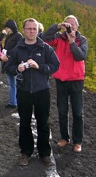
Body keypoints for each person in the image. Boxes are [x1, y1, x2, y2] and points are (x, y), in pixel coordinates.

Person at [6, 18, 60, 167]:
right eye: (29, 29)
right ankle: (26, 152)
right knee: (24, 123)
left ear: (38, 30)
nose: (31, 31)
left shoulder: (45, 48)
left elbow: (56, 65)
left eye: (34, 29)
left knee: (43, 123)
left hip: (42, 91)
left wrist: (40, 67)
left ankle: (44, 153)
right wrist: (17, 68)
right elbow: (7, 67)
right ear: (23, 30)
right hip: (23, 91)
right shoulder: (18, 49)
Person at [42, 15, 88, 153]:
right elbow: (44, 38)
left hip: (76, 80)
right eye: (67, 24)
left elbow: (80, 56)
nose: (70, 27)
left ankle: (78, 141)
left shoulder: (82, 40)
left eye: (72, 24)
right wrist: (57, 26)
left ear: (77, 26)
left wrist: (72, 42)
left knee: (77, 112)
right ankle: (64, 138)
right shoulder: (59, 38)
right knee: (62, 111)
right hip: (61, 79)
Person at [1, 19, 23, 109]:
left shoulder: (18, 36)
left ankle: (13, 102)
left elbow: (19, 49)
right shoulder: (9, 36)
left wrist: (7, 52)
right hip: (9, 63)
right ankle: (14, 101)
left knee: (13, 84)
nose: (7, 29)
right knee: (12, 83)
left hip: (14, 64)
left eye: (7, 28)